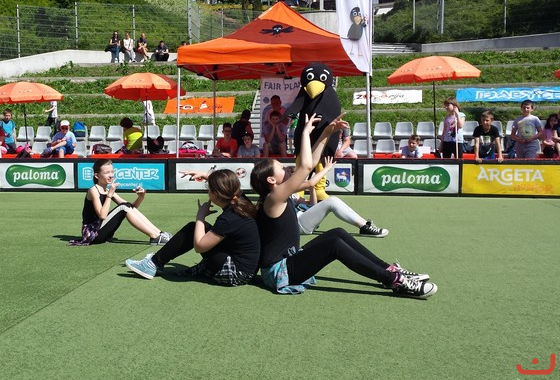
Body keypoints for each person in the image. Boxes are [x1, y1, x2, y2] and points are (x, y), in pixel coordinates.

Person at [249, 114, 436, 298]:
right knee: (334, 245)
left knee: (337, 233)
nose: (286, 167)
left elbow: (311, 165)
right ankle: (394, 280)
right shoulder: (273, 198)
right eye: (281, 167)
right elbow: (306, 167)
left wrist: (325, 134)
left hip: (290, 259)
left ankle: (390, 269)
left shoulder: (279, 194)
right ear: (271, 180)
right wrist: (304, 133)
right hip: (278, 272)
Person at [125, 169, 260, 286]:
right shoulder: (241, 202)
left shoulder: (229, 218)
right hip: (247, 270)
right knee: (200, 228)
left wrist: (200, 216)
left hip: (236, 274)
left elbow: (199, 246)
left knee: (194, 228)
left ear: (214, 194)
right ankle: (155, 262)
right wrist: (206, 176)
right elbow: (228, 186)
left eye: (209, 189)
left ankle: (153, 263)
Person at [71, 159, 171, 246]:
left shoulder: (107, 190)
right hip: (92, 233)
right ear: (97, 176)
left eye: (112, 172)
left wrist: (141, 197)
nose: (111, 175)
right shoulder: (93, 190)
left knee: (125, 206)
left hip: (101, 229)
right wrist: (110, 194)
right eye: (107, 173)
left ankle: (159, 233)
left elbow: (131, 208)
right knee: (123, 207)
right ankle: (154, 236)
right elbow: (102, 215)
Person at [294, 156, 388, 237]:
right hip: (297, 225)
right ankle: (365, 227)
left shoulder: (292, 194)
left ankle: (364, 225)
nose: (291, 173)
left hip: (303, 220)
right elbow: (310, 182)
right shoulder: (285, 189)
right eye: (288, 171)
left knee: (333, 200)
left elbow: (312, 205)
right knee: (332, 201)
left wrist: (312, 189)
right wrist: (326, 169)